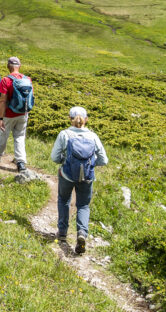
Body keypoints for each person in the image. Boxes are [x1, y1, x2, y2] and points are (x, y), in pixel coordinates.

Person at [50, 106, 109, 255]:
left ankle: (62, 233)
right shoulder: (93, 136)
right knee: (83, 205)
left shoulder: (64, 134)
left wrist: (64, 160)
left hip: (67, 175)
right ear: (86, 120)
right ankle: (81, 233)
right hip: (87, 177)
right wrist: (91, 164)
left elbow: (55, 158)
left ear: (70, 119)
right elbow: (104, 160)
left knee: (64, 200)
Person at [0, 56, 33, 172]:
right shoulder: (28, 79)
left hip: (9, 114)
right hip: (23, 113)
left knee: (3, 133)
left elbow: (3, 100)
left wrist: (0, 117)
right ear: (19, 66)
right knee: (19, 136)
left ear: (8, 66)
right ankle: (21, 162)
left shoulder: (6, 80)